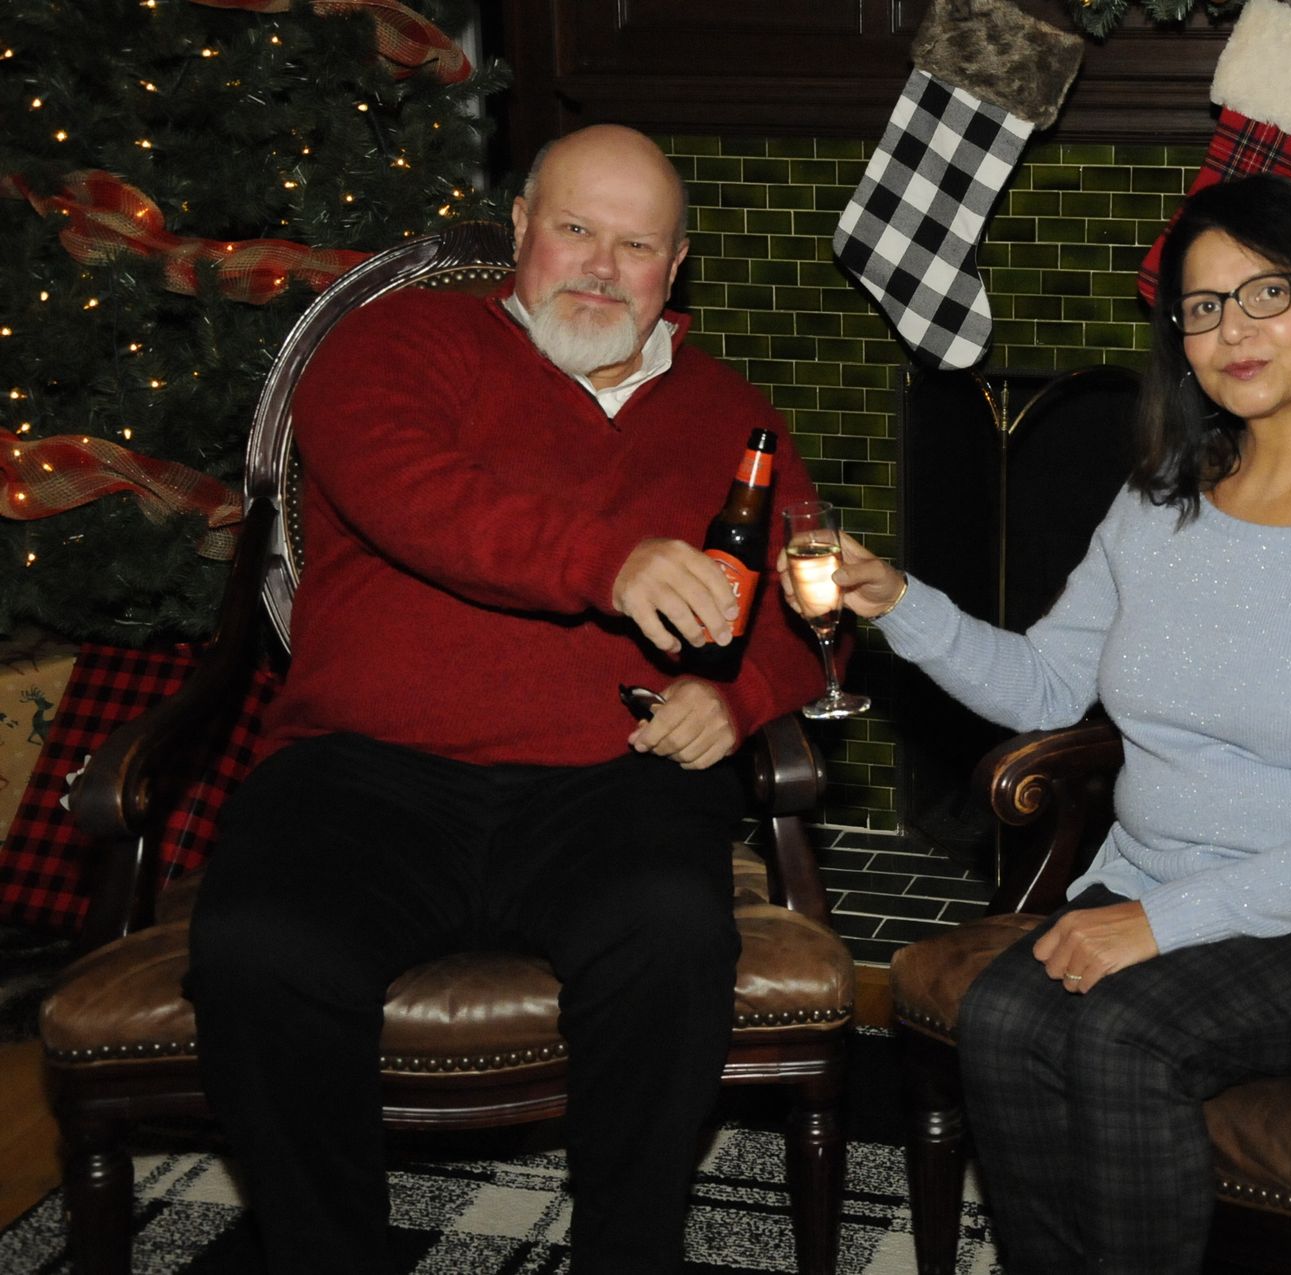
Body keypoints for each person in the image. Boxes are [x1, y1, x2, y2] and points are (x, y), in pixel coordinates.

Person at [808, 175, 1291, 1275]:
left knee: (1125, 1035)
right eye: (1201, 306)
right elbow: (1046, 686)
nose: (1232, 329)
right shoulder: (1159, 504)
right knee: (1003, 1021)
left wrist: (1162, 922)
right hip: (1161, 876)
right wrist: (903, 605)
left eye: (1265, 293)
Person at [185, 125, 827, 1275]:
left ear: (674, 269)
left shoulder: (734, 415)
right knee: (257, 943)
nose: (598, 264)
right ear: (522, 229)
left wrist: (747, 698)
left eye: (635, 245)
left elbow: (800, 601)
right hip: (364, 771)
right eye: (575, 228)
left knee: (672, 931)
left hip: (609, 782)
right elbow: (416, 493)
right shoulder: (399, 344)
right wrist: (613, 563)